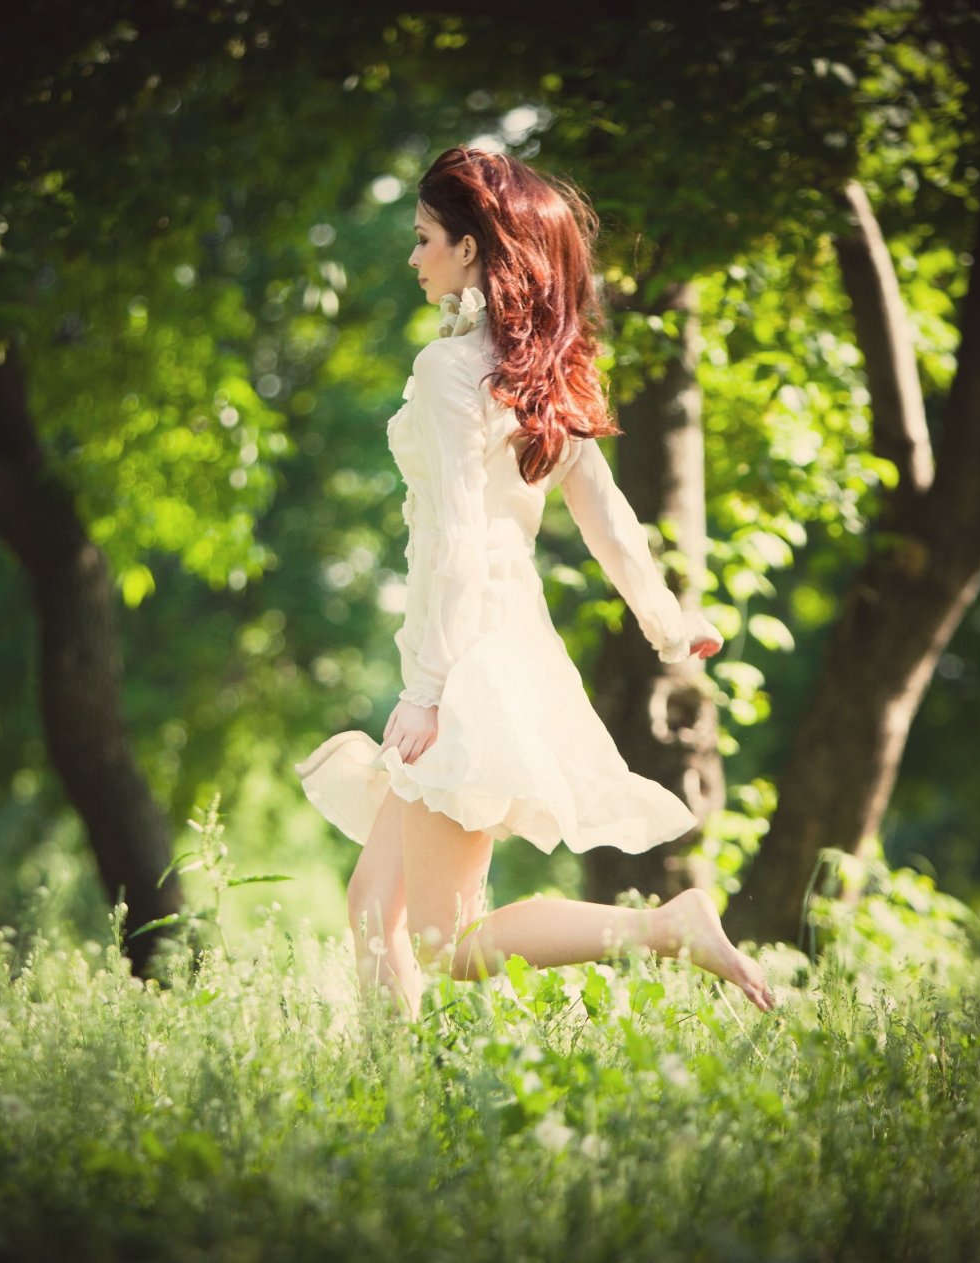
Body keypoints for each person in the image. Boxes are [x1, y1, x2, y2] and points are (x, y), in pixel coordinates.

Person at [294, 146, 772, 1021]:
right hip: (503, 644)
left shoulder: (448, 372)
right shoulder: (536, 377)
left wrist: (429, 692)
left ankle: (669, 925)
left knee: (449, 942)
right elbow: (609, 520)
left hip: (467, 657)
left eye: (426, 237)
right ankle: (389, 1104)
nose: (414, 256)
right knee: (372, 908)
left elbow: (463, 541)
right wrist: (668, 625)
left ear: (471, 248)